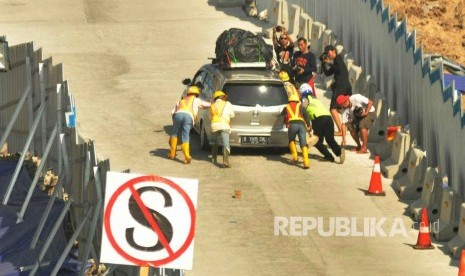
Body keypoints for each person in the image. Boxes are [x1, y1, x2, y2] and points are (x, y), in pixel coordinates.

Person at [300, 85, 345, 164]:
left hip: (318, 120)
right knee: (330, 139)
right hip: (328, 118)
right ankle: (339, 152)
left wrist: (307, 123)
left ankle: (329, 156)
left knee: (316, 141)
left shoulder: (305, 99)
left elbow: (303, 110)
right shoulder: (315, 99)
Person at [168, 85, 211, 164]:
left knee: (174, 134)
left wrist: (175, 121)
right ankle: (187, 156)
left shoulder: (180, 101)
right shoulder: (197, 100)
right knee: (185, 136)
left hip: (178, 115)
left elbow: (172, 112)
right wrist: (211, 103)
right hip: (188, 116)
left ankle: (172, 154)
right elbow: (205, 105)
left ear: (188, 93)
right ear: (196, 94)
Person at [320, 45, 352, 136]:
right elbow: (327, 73)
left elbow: (338, 68)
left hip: (341, 87)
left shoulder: (338, 58)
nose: (328, 55)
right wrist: (323, 63)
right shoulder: (335, 62)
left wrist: (329, 63)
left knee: (332, 109)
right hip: (345, 86)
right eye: (326, 54)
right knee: (343, 108)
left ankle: (340, 131)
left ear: (334, 51)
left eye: (328, 52)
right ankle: (346, 127)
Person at [282, 93, 312, 169]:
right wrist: (308, 126)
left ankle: (295, 157)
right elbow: (306, 116)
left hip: (292, 125)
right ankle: (306, 162)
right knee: (303, 143)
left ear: (289, 100)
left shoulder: (286, 107)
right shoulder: (301, 106)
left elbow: (282, 116)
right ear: (297, 100)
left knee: (291, 140)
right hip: (302, 125)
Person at [210, 90, 235, 168]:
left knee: (214, 142)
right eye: (224, 97)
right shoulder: (228, 104)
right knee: (225, 143)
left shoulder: (212, 105)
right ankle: (225, 161)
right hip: (224, 125)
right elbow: (232, 115)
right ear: (221, 97)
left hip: (214, 125)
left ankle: (214, 159)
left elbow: (211, 116)